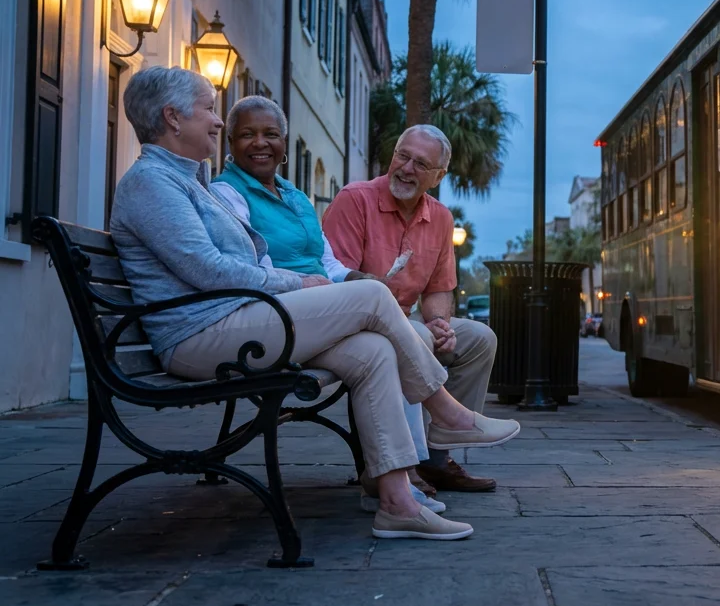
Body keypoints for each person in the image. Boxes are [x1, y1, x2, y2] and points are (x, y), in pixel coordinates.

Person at [109, 66, 520, 541]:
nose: (217, 122)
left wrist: (295, 282)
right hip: (199, 335)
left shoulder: (188, 180)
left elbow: (242, 258)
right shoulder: (153, 183)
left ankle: (396, 501)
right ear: (172, 118)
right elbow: (207, 271)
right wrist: (299, 284)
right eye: (209, 109)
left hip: (235, 320)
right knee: (369, 294)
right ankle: (447, 413)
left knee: (373, 350)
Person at [208, 96, 443, 514]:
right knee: (378, 301)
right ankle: (448, 410)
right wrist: (317, 285)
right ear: (230, 141)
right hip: (271, 318)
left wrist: (352, 277)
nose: (260, 144)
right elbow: (248, 267)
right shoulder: (226, 194)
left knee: (378, 343)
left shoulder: (295, 197)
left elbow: (327, 259)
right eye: (247, 134)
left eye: (271, 134)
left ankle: (391, 485)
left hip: (304, 313)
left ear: (284, 142)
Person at [323, 125, 498, 493]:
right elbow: (337, 281)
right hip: (355, 323)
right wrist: (417, 325)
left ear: (438, 176)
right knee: (414, 336)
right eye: (403, 155)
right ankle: (403, 463)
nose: (406, 168)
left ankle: (437, 458)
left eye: (421, 163)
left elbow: (438, 288)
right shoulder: (355, 199)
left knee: (479, 338)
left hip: (408, 319)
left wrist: (440, 323)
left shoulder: (441, 219)